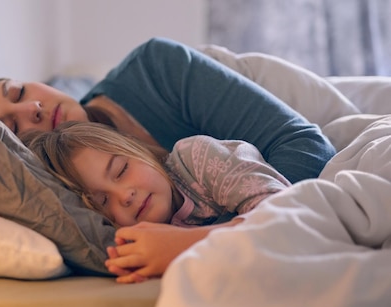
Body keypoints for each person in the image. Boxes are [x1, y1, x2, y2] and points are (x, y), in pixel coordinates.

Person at [0, 37, 336, 183]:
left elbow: (309, 146)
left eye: (18, 91)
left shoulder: (156, 67)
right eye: (12, 126)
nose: (32, 107)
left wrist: (215, 233)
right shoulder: (82, 191)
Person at [25, 121, 291, 283]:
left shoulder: (197, 159)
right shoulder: (123, 239)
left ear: (135, 148)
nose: (125, 196)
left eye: (120, 170)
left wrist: (184, 243)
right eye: (103, 203)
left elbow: (284, 214)